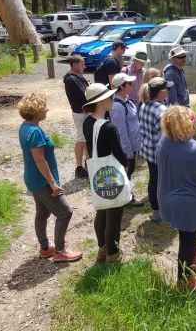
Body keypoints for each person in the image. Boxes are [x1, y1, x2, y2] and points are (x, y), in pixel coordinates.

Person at [156, 105, 196, 289]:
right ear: (186, 124)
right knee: (187, 241)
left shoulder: (163, 142)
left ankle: (195, 254)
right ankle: (185, 282)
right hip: (189, 205)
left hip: (166, 198)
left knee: (187, 237)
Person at [18, 94, 82, 262]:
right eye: (43, 107)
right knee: (65, 212)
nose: (47, 109)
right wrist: (52, 183)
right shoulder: (35, 132)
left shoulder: (24, 127)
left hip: (32, 179)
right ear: (36, 111)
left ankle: (45, 248)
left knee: (42, 212)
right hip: (42, 181)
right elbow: (40, 159)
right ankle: (60, 251)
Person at [83, 83, 129, 263]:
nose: (112, 100)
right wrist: (125, 168)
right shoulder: (108, 127)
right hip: (111, 173)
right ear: (101, 101)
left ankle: (102, 248)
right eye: (110, 97)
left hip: (97, 173)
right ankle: (113, 254)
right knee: (114, 215)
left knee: (102, 210)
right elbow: (120, 155)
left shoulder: (88, 122)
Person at [139, 77, 173, 222]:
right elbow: (164, 137)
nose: (169, 91)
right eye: (167, 89)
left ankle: (156, 211)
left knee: (154, 180)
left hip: (148, 151)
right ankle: (163, 211)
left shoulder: (144, 105)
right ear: (161, 92)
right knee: (164, 183)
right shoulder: (161, 110)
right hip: (160, 154)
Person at [109, 73, 144, 207]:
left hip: (133, 146)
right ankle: (125, 199)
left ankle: (126, 197)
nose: (132, 84)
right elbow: (121, 132)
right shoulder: (118, 106)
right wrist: (128, 151)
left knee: (129, 172)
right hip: (126, 150)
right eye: (129, 83)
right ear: (122, 86)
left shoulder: (126, 100)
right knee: (125, 173)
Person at [63, 54, 89, 178]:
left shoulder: (78, 77)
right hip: (80, 113)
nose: (84, 66)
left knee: (85, 139)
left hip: (84, 112)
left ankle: (88, 161)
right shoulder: (71, 79)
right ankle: (79, 167)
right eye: (82, 64)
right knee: (81, 139)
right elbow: (85, 95)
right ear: (74, 65)